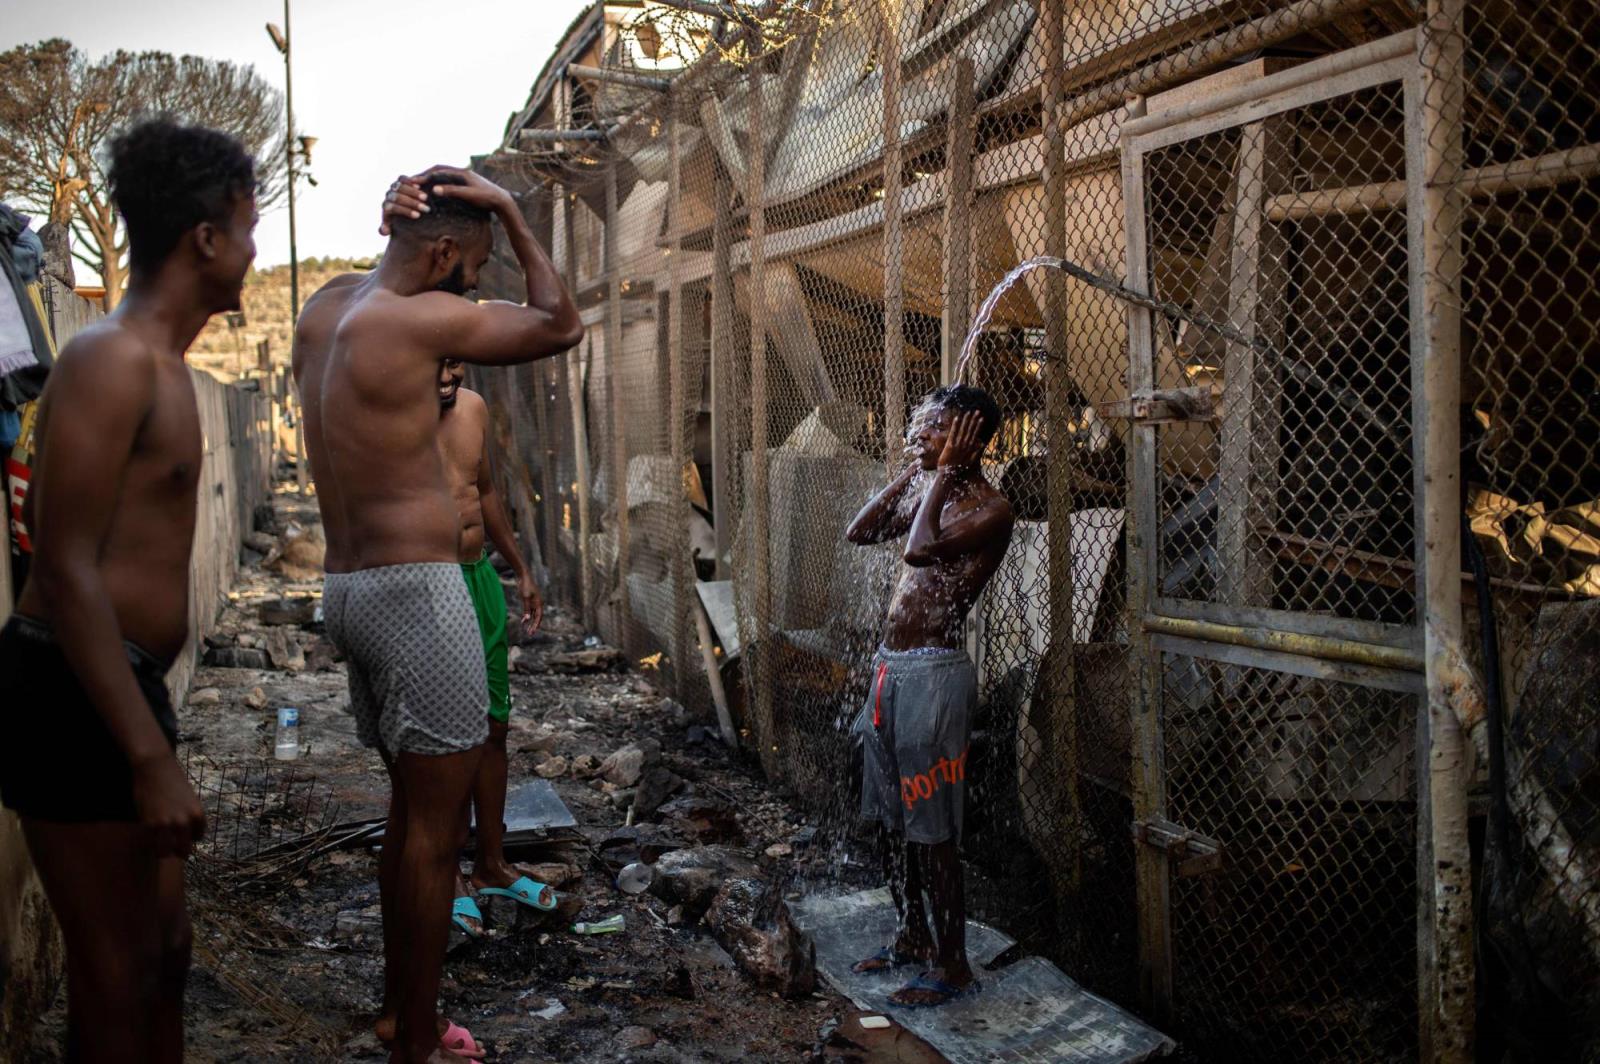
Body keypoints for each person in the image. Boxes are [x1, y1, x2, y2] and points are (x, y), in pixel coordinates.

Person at [295, 166, 580, 1064]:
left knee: (411, 817)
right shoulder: (422, 321)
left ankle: (399, 1013)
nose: (474, 285)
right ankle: (417, 1040)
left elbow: (387, 266)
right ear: (448, 250)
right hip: (420, 595)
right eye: (474, 262)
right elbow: (559, 323)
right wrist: (509, 207)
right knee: (434, 830)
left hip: (348, 592)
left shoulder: (325, 309)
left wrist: (407, 228)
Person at [0, 119, 258, 1061]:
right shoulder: (110, 360)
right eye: (249, 223)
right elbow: (61, 565)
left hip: (119, 683)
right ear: (207, 237)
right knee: (113, 972)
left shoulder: (164, 366)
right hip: (71, 687)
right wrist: (150, 757)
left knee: (164, 953)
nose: (253, 247)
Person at [842, 385, 1015, 1007]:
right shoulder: (929, 489)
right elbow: (861, 531)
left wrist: (938, 477)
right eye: (919, 425)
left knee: (932, 829)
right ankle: (912, 935)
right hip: (892, 670)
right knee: (891, 823)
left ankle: (953, 963)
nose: (920, 434)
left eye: (936, 428)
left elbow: (917, 550)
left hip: (935, 676)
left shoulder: (991, 508)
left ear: (971, 438)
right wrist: (917, 472)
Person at [433, 357, 552, 938]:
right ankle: (446, 872)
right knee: (443, 739)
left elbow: (485, 493)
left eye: (457, 359)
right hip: (429, 586)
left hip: (478, 576)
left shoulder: (474, 408)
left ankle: (491, 863)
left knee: (494, 727)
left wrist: (520, 568)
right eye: (437, 359)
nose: (449, 373)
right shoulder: (393, 417)